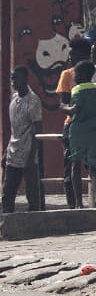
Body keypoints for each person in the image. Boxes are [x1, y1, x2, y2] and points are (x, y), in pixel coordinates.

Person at [1, 64, 46, 215]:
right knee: (8, 191)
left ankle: (35, 221)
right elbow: (15, 129)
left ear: (25, 79)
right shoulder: (14, 99)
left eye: (16, 78)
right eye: (12, 78)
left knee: (32, 192)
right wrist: (6, 151)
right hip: (13, 152)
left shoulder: (33, 101)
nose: (13, 81)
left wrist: (32, 155)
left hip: (28, 153)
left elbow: (37, 129)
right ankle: (6, 221)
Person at [62, 37, 94, 207]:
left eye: (73, 53)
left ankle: (80, 205)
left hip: (79, 126)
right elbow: (65, 99)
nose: (69, 57)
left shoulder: (81, 74)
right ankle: (73, 204)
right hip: (76, 124)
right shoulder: (66, 74)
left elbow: (66, 104)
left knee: (78, 164)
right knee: (71, 165)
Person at [67, 59, 96, 217]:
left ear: (83, 75)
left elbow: (75, 109)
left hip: (78, 131)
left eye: (76, 73)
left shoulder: (77, 89)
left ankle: (79, 203)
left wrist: (64, 108)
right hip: (94, 131)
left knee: (75, 165)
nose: (74, 76)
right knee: (93, 166)